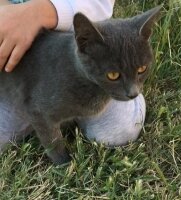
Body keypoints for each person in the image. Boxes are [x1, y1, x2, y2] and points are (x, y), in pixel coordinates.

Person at [0, 0, 146, 147]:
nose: (135, 90)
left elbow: (100, 3)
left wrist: (37, 13)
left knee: (120, 130)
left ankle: (119, 70)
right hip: (20, 60)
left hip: (97, 49)